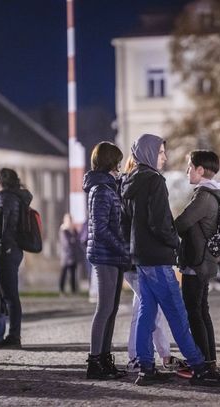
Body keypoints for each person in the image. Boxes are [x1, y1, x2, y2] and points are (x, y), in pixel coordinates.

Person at [121, 133, 220, 386]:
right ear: (148, 153)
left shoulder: (129, 181)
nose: (165, 158)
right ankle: (199, 367)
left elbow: (127, 223)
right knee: (177, 313)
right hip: (157, 256)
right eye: (160, 153)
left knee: (146, 312)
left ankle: (146, 368)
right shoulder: (154, 181)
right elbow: (160, 223)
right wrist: (174, 243)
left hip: (140, 256)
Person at [120, 156, 186, 374]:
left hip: (133, 257)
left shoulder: (128, 187)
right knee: (148, 309)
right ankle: (141, 357)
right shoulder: (141, 186)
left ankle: (146, 356)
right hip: (139, 258)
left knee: (144, 307)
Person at [175, 150, 220, 380]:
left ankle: (202, 364)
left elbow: (181, 223)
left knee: (194, 313)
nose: (187, 170)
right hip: (204, 261)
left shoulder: (204, 197)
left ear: (199, 169)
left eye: (189, 166)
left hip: (196, 262)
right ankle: (209, 361)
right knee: (201, 311)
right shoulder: (212, 194)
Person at [83, 141, 129, 380]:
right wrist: (123, 249)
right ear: (111, 161)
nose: (120, 166)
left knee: (112, 308)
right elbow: (101, 229)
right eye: (118, 161)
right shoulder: (100, 189)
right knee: (104, 308)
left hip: (113, 254)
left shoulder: (109, 186)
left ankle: (104, 358)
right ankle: (94, 361)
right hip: (105, 255)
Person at [0, 168, 32, 349]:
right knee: (9, 294)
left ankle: (14, 336)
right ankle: (11, 334)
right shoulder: (17, 197)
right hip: (13, 249)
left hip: (4, 251)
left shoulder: (4, 198)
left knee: (9, 295)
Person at [59, 213, 80, 295]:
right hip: (66, 256)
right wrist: (73, 240)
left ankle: (73, 290)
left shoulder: (73, 230)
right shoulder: (63, 230)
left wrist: (73, 240)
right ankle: (61, 290)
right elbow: (66, 242)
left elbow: (77, 240)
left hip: (73, 255)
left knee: (73, 274)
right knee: (63, 274)